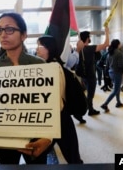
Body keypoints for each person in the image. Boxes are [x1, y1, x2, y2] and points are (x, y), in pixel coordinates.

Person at [0, 12, 57, 164]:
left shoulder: (40, 65)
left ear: (24, 35)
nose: (3, 35)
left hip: (36, 134)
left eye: (9, 29)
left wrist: (48, 137)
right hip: (5, 136)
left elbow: (51, 105)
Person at [34, 35, 83, 164]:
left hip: (59, 118)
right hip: (56, 118)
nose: (37, 49)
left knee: (72, 157)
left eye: (40, 46)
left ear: (49, 48)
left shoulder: (53, 68)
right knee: (71, 155)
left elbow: (57, 99)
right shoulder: (45, 66)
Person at [76, 27, 109, 116]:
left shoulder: (79, 49)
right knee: (90, 95)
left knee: (89, 94)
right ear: (87, 38)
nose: (90, 38)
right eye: (89, 37)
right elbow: (106, 44)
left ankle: (90, 109)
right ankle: (80, 112)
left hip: (84, 75)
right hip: (91, 76)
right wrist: (107, 32)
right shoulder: (90, 48)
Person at [100, 39, 123, 112]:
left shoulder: (109, 53)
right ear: (118, 45)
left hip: (111, 72)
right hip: (117, 73)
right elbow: (121, 65)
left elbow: (107, 65)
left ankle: (118, 102)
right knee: (115, 90)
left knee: (117, 88)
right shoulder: (119, 53)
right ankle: (105, 104)